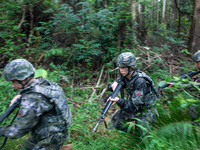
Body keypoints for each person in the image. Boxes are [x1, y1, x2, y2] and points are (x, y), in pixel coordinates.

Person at [0, 59, 72, 150]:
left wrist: (1, 131)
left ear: (24, 79)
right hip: (51, 129)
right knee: (29, 147)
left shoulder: (33, 99)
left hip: (51, 137)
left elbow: (18, 131)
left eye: (14, 81)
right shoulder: (46, 83)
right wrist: (20, 94)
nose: (12, 85)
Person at [107, 52, 159, 137]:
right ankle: (132, 135)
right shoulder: (126, 77)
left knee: (143, 137)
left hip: (146, 110)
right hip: (136, 107)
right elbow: (113, 86)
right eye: (120, 67)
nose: (121, 70)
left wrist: (119, 101)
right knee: (116, 121)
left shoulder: (140, 81)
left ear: (131, 67)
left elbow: (133, 106)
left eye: (124, 67)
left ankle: (138, 137)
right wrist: (113, 84)